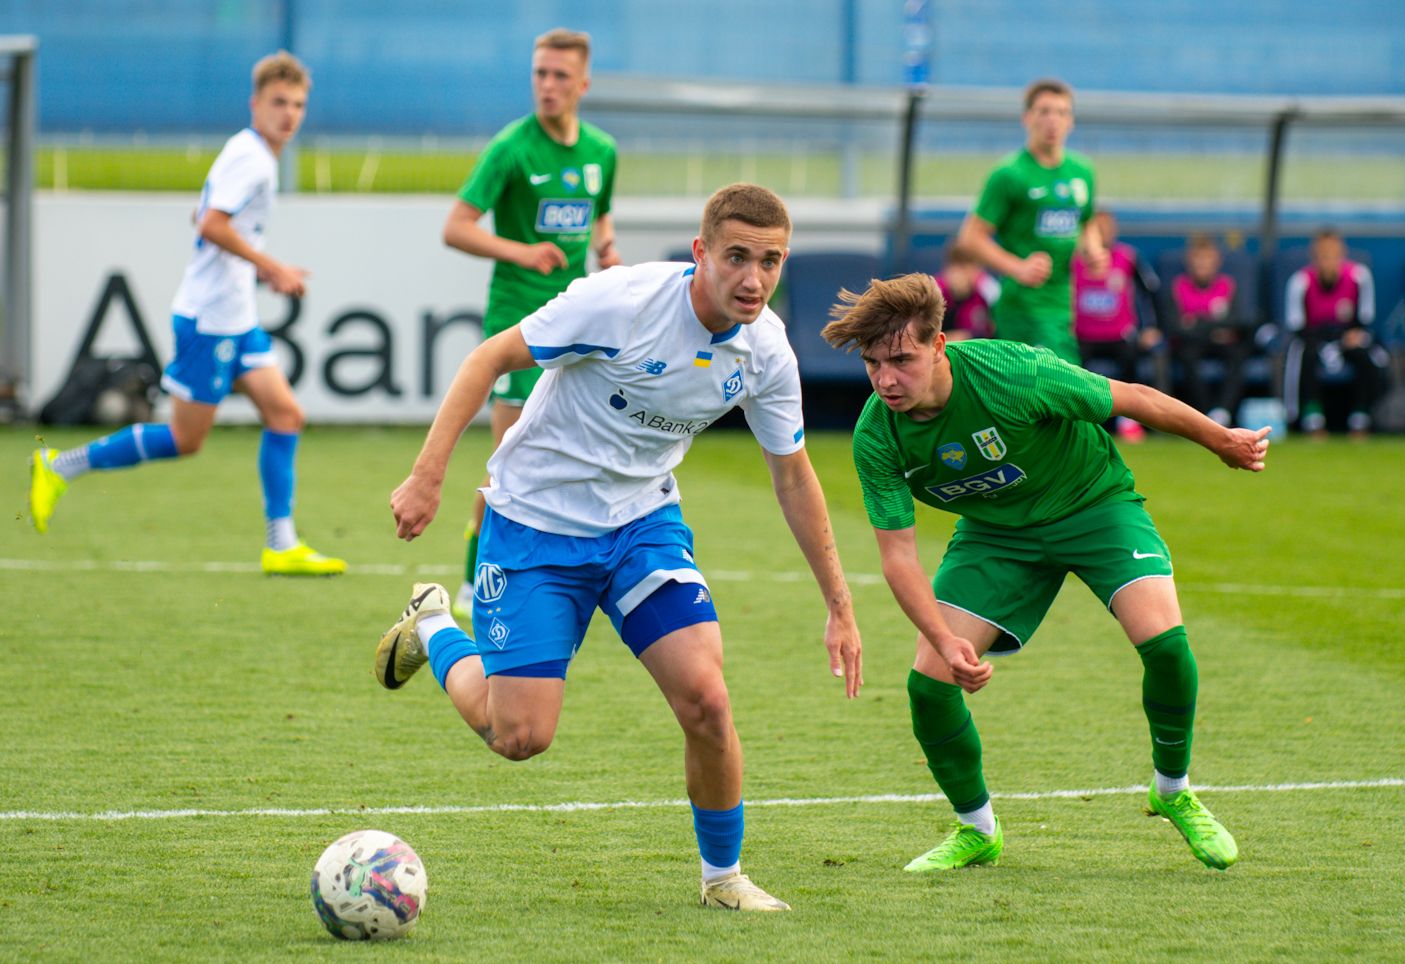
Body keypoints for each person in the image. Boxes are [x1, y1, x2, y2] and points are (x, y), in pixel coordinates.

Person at [377, 184, 862, 911]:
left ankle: (722, 878)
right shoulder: (619, 302)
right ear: (700, 253)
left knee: (707, 700)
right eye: (736, 257)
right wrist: (426, 476)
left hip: (641, 525)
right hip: (535, 522)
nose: (754, 278)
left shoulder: (765, 350)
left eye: (770, 261)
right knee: (518, 736)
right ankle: (435, 627)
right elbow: (488, 359)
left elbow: (794, 476)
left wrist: (840, 604)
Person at [820, 272, 1269, 874]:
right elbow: (898, 557)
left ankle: (1173, 790)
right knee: (928, 686)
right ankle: (977, 830)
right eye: (873, 364)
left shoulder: (1011, 372)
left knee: (1166, 644)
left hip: (1094, 504)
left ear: (939, 345)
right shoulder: (877, 434)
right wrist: (943, 639)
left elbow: (1134, 398)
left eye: (901, 360)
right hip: (996, 535)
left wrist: (1222, 441)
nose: (886, 380)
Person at [28, 52, 345, 575]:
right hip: (210, 321)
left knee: (286, 415)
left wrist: (252, 268)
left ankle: (282, 543)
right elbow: (211, 224)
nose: (289, 114)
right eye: (279, 103)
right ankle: (60, 466)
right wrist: (270, 267)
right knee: (185, 439)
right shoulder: (252, 158)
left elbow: (202, 214)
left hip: (236, 317)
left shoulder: (249, 151)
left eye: (297, 105)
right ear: (255, 104)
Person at [442, 28, 621, 619]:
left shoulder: (601, 150)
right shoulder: (511, 148)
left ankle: (568, 566)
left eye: (560, 75)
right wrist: (522, 251)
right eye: (540, 74)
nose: (547, 85)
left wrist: (606, 248)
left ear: (583, 83)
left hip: (579, 318)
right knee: (511, 455)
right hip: (517, 318)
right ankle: (474, 578)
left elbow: (600, 215)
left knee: (575, 446)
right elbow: (456, 227)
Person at [955, 78, 1106, 365]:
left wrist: (1094, 251)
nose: (1053, 120)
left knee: (1058, 386)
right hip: (1022, 308)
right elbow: (970, 238)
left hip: (1063, 305)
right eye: (1044, 111)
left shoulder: (1082, 171)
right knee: (1060, 384)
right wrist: (1018, 267)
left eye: (1061, 112)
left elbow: (1086, 221)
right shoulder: (1009, 174)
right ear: (1027, 118)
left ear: (1071, 121)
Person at [1071, 208, 1165, 441]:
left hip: (1119, 335)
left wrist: (1151, 327)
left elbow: (1151, 291)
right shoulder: (1073, 260)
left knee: (1131, 364)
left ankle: (1129, 420)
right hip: (1082, 335)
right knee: (1072, 368)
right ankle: (1079, 421)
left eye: (1107, 228)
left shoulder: (1127, 257)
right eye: (1098, 228)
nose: (1103, 234)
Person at [1283, 229, 1387, 436]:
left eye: (1332, 254)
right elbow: (1296, 325)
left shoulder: (1359, 276)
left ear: (1342, 254)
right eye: (1323, 254)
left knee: (1367, 354)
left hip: (1347, 336)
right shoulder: (1300, 281)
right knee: (1304, 353)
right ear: (1314, 257)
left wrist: (1353, 335)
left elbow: (1365, 318)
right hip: (1313, 338)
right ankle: (1312, 419)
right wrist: (1324, 341)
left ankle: (1361, 418)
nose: (1328, 259)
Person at [1165, 235, 1253, 426]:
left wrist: (1196, 322)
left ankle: (1222, 412)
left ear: (1217, 261)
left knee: (1238, 355)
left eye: (1207, 259)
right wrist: (1213, 327)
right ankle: (1203, 414)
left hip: (1222, 343)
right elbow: (1175, 327)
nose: (1202, 264)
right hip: (1192, 344)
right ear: (1189, 261)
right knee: (1187, 356)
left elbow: (1238, 321)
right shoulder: (1178, 287)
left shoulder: (1228, 285)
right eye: (1198, 259)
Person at [933, 241, 999, 341]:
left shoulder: (987, 290)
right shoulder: (935, 290)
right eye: (959, 267)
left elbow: (993, 330)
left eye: (970, 267)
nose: (961, 275)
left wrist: (968, 336)